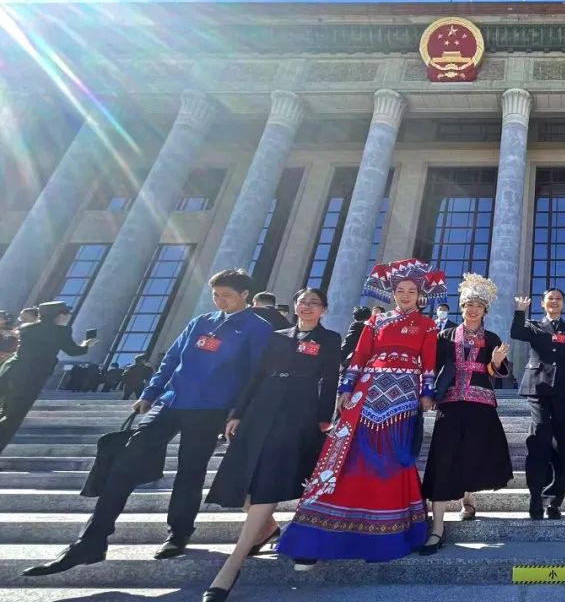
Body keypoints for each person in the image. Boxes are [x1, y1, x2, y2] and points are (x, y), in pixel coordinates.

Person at [23, 270, 273, 577]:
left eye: (227, 296)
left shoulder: (257, 328)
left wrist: (238, 412)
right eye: (216, 295)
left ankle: (179, 534)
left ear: (245, 295)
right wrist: (150, 393)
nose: (220, 301)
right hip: (171, 402)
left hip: (211, 410)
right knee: (125, 460)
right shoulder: (201, 321)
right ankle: (92, 540)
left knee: (190, 472)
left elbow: (256, 374)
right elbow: (172, 359)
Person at [274, 258, 444, 567]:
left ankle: (386, 531)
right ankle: (318, 534)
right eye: (400, 290)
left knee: (393, 459)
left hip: (403, 399)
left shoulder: (427, 325)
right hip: (365, 393)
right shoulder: (375, 321)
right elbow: (360, 356)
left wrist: (426, 393)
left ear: (420, 295)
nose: (406, 295)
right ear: (392, 293)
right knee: (346, 457)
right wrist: (346, 389)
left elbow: (429, 363)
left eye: (411, 291)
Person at [201, 288, 341, 602]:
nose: (307, 307)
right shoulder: (277, 337)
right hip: (261, 407)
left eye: (314, 303)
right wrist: (238, 413)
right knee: (243, 480)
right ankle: (268, 528)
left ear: (323, 310)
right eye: (302, 301)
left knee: (268, 480)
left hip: (298, 410)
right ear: (295, 306)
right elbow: (257, 376)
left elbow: (331, 379)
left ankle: (232, 565)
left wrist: (324, 419)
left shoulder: (329, 339)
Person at [421, 274, 513, 555]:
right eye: (468, 305)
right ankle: (437, 527)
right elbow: (431, 367)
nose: (473, 310)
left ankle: (468, 499)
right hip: (450, 403)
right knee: (442, 458)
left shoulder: (492, 338)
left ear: (485, 310)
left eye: (478, 306)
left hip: (480, 405)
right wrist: (428, 393)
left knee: (473, 455)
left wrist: (495, 363)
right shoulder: (446, 336)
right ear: (461, 308)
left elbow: (496, 372)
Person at [512, 288, 565, 519]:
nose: (554, 302)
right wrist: (520, 311)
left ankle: (554, 500)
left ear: (564, 304)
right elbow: (516, 333)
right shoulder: (534, 326)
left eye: (559, 299)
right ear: (542, 304)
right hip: (538, 387)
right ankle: (535, 495)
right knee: (540, 437)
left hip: (564, 389)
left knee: (561, 443)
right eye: (550, 299)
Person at [0, 301, 95, 454]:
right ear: (58, 315)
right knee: (13, 416)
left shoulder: (26, 328)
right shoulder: (60, 331)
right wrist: (87, 344)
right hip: (32, 377)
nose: (68, 316)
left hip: (11, 369)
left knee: (6, 408)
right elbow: (73, 351)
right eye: (66, 313)